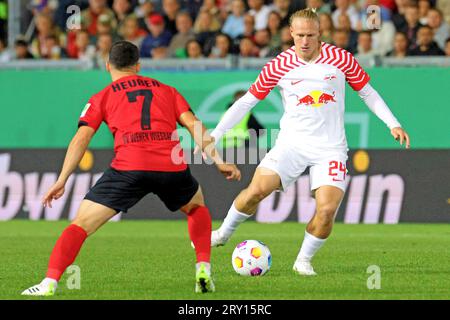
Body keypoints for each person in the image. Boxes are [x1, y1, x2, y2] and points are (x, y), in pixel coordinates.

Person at [200, 8, 410, 276]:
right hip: (291, 145)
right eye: (299, 35)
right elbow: (247, 101)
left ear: (320, 33)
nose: (305, 41)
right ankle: (223, 233)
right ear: (291, 33)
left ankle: (303, 260)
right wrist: (216, 133)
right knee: (255, 191)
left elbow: (368, 93)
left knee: (327, 210)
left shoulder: (341, 59)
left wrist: (392, 123)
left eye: (310, 35)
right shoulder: (279, 64)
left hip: (330, 148)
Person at [21, 40, 241, 296]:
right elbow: (193, 124)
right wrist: (219, 160)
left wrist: (62, 179)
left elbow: (81, 138)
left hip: (129, 167)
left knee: (80, 225)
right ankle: (202, 268)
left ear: (107, 66)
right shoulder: (167, 90)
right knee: (196, 207)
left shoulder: (102, 97)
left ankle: (49, 283)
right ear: (138, 65)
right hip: (170, 165)